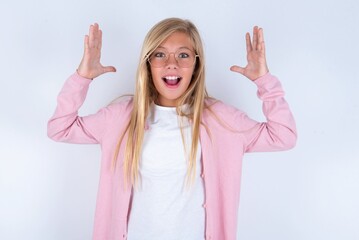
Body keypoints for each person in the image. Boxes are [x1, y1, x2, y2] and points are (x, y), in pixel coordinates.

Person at [47, 18, 297, 240]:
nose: (171, 64)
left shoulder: (222, 120)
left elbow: (283, 136)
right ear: (148, 63)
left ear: (196, 64)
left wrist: (265, 82)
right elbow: (60, 128)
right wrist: (82, 77)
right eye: (160, 54)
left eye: (183, 55)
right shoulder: (121, 117)